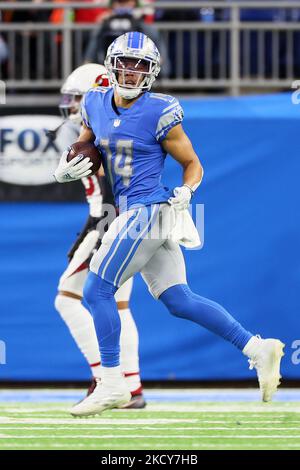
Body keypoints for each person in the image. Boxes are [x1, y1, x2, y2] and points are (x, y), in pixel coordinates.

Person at [54, 32, 285, 417]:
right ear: (112, 66)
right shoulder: (93, 103)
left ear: (152, 72)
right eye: (125, 63)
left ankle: (113, 383)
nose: (131, 72)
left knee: (96, 293)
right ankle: (257, 348)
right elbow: (86, 146)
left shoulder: (160, 110)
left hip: (147, 209)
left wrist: (188, 190)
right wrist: (66, 166)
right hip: (137, 213)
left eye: (140, 65)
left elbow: (193, 163)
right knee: (180, 300)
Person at [54, 63, 146, 409]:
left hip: (113, 221)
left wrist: (101, 233)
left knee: (66, 298)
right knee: (119, 305)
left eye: (78, 98)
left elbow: (109, 192)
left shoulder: (104, 130)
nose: (71, 105)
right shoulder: (111, 126)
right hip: (130, 221)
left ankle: (105, 378)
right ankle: (132, 386)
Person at [84, 0, 169, 77]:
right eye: (120, 3)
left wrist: (138, 21)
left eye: (127, 2)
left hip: (138, 68)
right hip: (110, 67)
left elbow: (159, 55)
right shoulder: (104, 25)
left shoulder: (143, 26)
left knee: (150, 30)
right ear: (112, 5)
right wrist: (87, 65)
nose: (123, 6)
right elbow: (93, 49)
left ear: (134, 3)